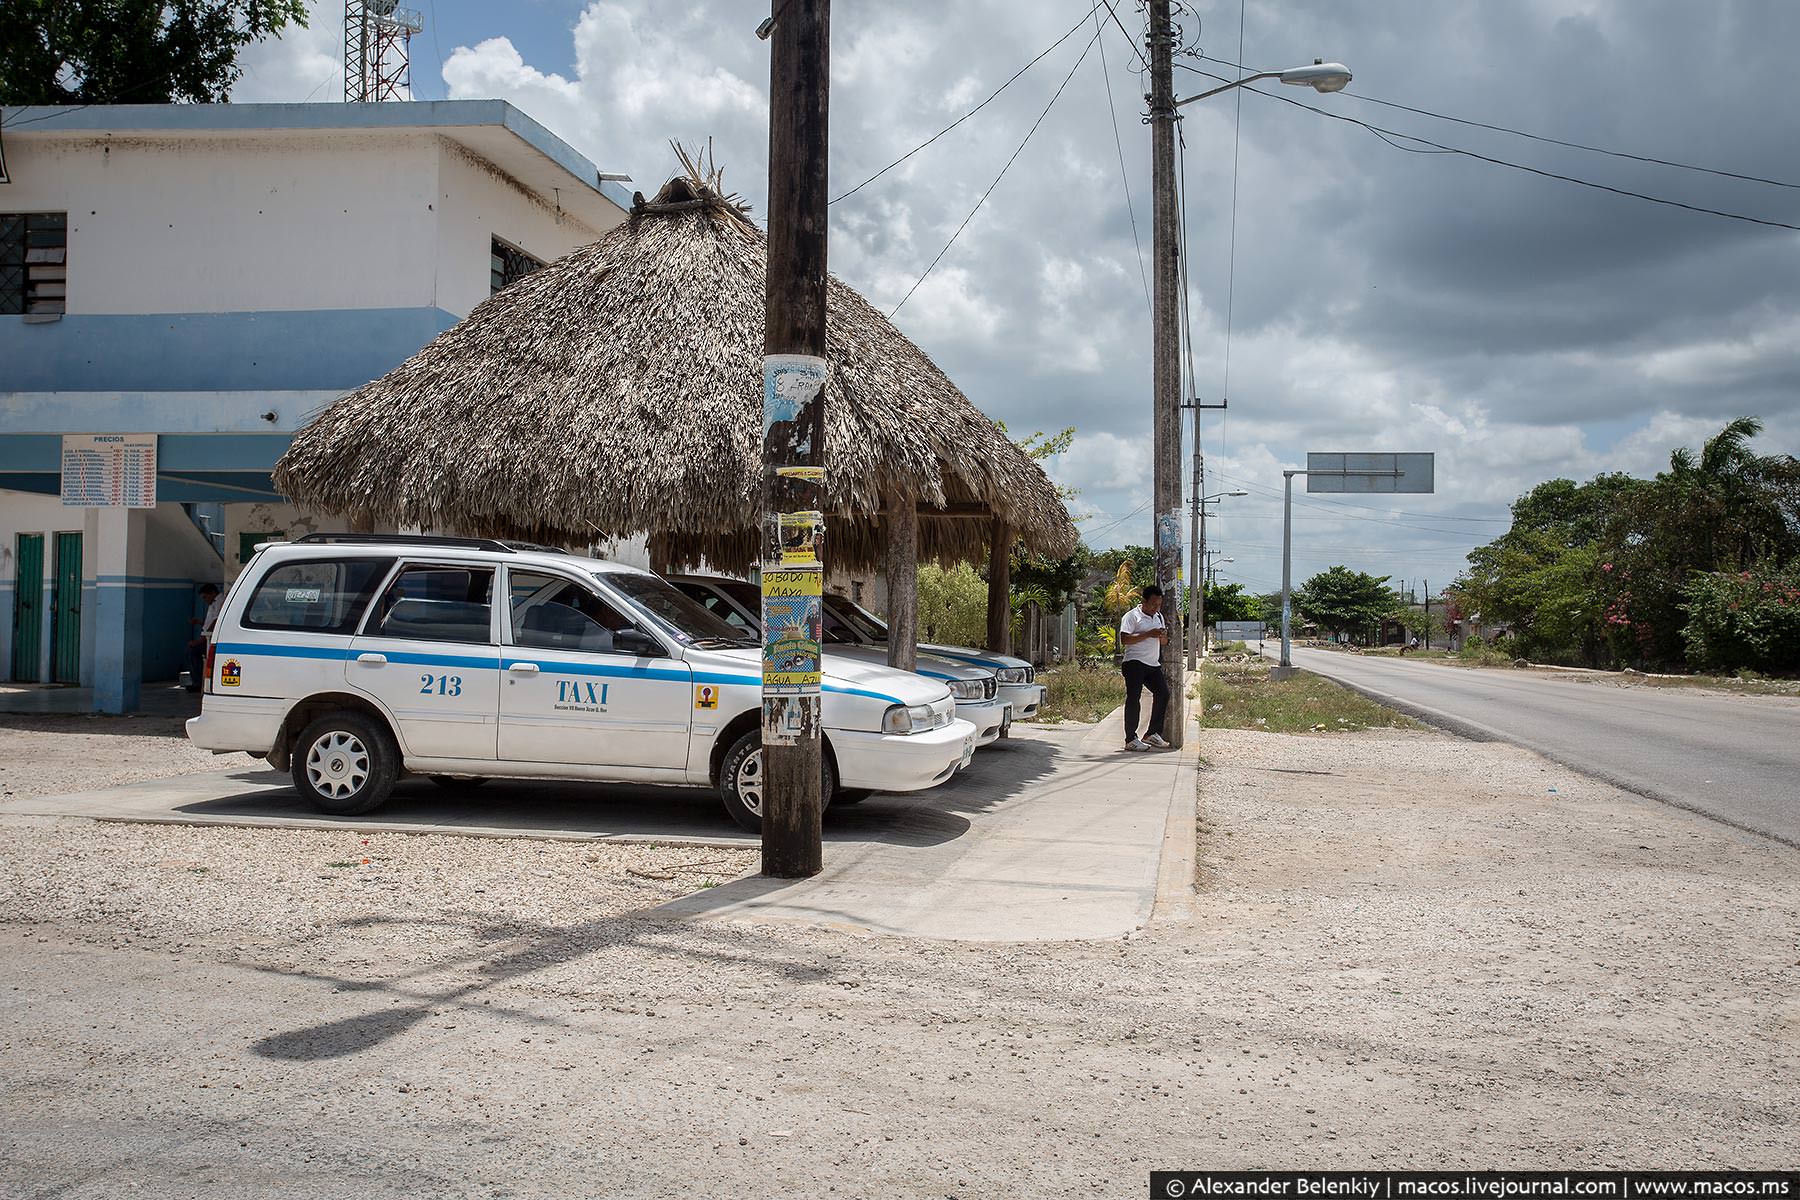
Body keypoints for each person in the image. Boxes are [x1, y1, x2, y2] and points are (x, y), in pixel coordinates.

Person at [1119, 585, 1170, 751]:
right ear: (1144, 601)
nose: (1156, 608)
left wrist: (1162, 636)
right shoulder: (1132, 616)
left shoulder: (1159, 617)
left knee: (1163, 693)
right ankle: (1130, 739)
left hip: (1152, 664)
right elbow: (1125, 639)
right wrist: (1148, 634)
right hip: (1134, 663)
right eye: (1153, 604)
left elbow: (1164, 642)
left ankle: (1152, 733)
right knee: (1134, 698)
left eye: (1159, 605)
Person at [186, 583, 221, 692]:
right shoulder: (213, 603)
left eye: (205, 597)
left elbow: (216, 622)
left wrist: (198, 641)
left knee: (194, 651)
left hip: (210, 639)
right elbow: (209, 623)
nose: (205, 600)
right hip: (206, 637)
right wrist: (200, 622)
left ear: (212, 593)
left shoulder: (219, 602)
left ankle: (198, 683)